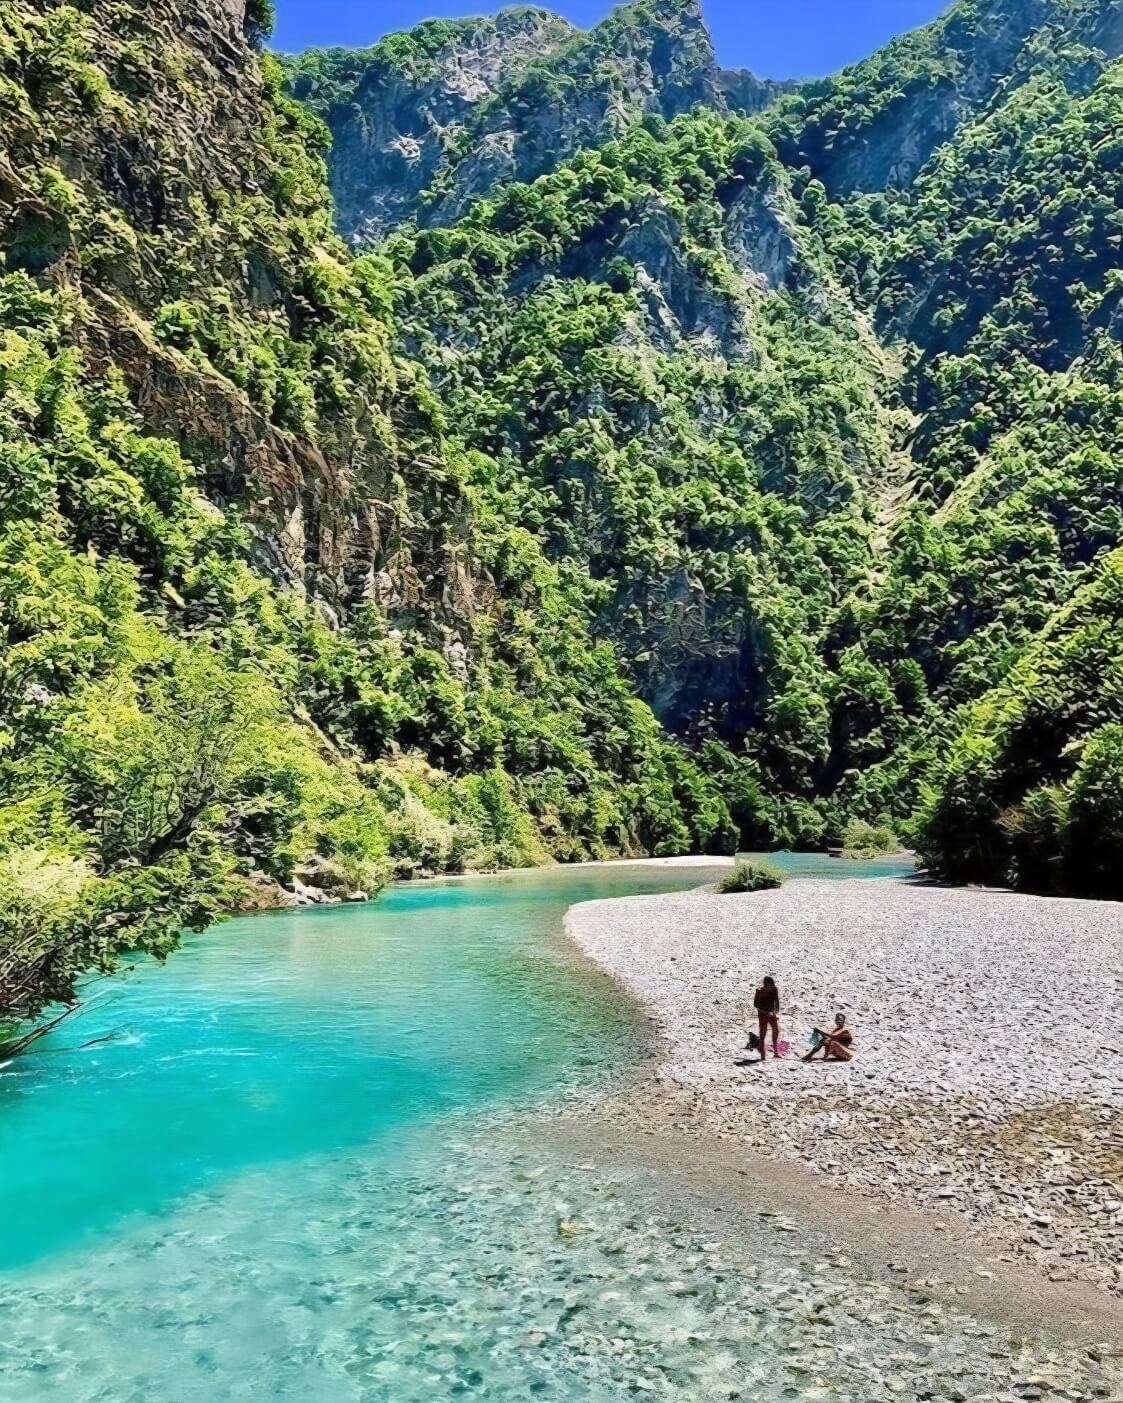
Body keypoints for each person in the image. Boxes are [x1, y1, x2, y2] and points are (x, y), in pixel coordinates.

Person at [751, 975, 781, 1060]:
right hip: (763, 1013)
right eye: (768, 985)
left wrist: (776, 1010)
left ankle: (776, 1052)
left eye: (771, 985)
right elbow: (756, 1005)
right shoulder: (760, 991)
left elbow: (777, 1000)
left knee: (776, 1030)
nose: (769, 987)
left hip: (771, 1013)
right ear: (765, 985)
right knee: (763, 1032)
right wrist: (765, 1011)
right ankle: (762, 1054)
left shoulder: (774, 990)